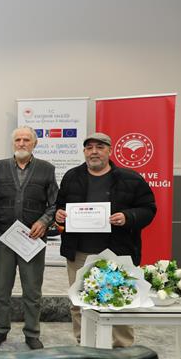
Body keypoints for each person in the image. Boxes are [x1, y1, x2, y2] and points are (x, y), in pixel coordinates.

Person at [55, 132, 156, 347]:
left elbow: (148, 209)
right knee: (79, 301)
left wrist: (128, 217)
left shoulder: (130, 178)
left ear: (109, 151)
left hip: (117, 252)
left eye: (100, 147)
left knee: (121, 299)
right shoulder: (71, 176)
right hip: (80, 253)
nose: (94, 152)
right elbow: (60, 206)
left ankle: (122, 346)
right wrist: (59, 214)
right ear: (84, 152)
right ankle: (85, 343)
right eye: (89, 147)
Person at [0, 126, 58, 349]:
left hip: (32, 239)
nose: (22, 143)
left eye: (26, 140)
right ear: (13, 143)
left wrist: (44, 222)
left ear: (34, 143)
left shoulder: (46, 169)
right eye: (18, 140)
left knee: (32, 290)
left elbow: (55, 203)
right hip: (3, 237)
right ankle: (0, 330)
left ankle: (32, 333)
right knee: (1, 289)